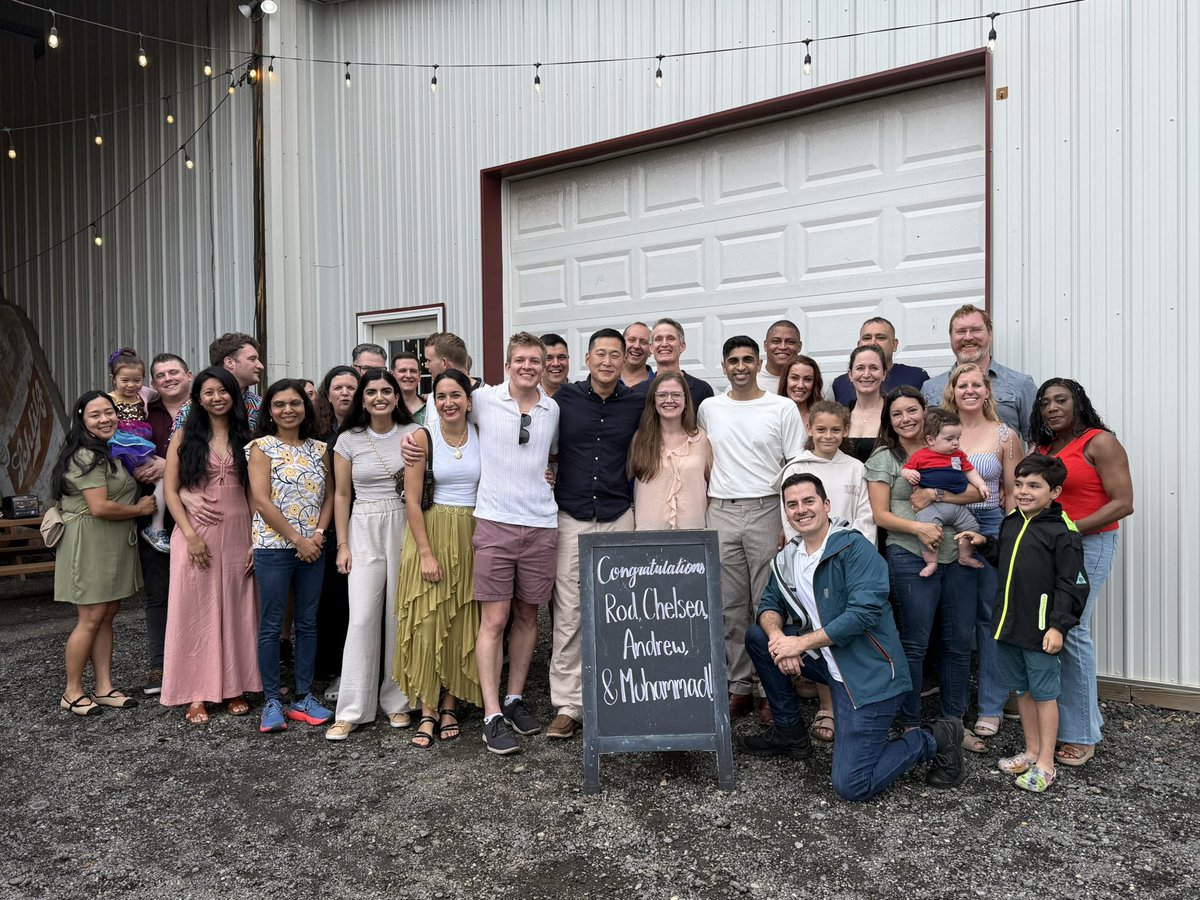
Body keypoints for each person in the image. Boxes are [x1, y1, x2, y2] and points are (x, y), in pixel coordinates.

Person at [740, 474, 966, 798]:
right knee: (758, 637)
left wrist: (799, 643)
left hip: (867, 673)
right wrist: (780, 640)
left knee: (853, 785)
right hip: (828, 662)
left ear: (826, 505)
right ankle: (790, 733)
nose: (801, 510)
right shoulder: (789, 558)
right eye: (792, 505)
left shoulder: (853, 547)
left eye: (808, 501)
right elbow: (768, 605)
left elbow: (864, 614)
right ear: (786, 512)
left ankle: (933, 739)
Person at [958, 454, 1089, 793]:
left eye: (1034, 486)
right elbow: (1006, 560)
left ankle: (1046, 763)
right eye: (1019, 484)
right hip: (1008, 626)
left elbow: (1073, 584)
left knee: (1045, 695)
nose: (1024, 491)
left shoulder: (1064, 532)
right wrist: (986, 544)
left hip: (1041, 631)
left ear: (1055, 491)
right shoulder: (1012, 520)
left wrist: (1058, 626)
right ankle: (1031, 751)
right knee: (1023, 691)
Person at [460, 333, 560, 755]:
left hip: (540, 522)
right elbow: (442, 419)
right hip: (495, 522)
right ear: (507, 365)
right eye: (520, 360)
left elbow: (550, 455)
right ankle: (491, 713)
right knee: (494, 620)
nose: (528, 366)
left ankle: (516, 699)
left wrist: (550, 473)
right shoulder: (482, 400)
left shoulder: (552, 408)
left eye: (535, 360)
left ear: (543, 366)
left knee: (527, 616)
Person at [698, 336, 806, 723]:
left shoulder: (781, 407)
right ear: (723, 366)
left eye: (747, 359)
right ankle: (739, 684)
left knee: (766, 603)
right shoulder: (710, 407)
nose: (740, 366)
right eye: (733, 361)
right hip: (721, 510)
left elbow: (795, 466)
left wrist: (787, 519)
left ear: (759, 362)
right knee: (729, 606)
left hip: (765, 507)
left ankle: (768, 687)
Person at [865, 387, 980, 737]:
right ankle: (911, 722)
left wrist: (936, 494)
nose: (905, 419)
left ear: (924, 412)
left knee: (958, 641)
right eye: (897, 414)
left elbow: (975, 491)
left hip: (956, 554)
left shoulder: (949, 448)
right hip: (909, 554)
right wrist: (919, 527)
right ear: (890, 420)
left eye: (911, 411)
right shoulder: (885, 458)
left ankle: (954, 725)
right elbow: (880, 515)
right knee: (915, 643)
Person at [1031, 378, 1134, 768]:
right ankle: (1075, 718)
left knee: (1071, 630)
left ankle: (1081, 733)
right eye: (1045, 402)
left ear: (1078, 403)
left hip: (1089, 545)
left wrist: (1072, 529)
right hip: (1052, 548)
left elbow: (1123, 503)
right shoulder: (1044, 448)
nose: (1052, 407)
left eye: (1061, 400)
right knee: (1053, 631)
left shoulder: (1099, 442)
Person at [549, 328, 646, 740]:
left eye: (615, 355)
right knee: (570, 612)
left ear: (625, 361)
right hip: (571, 515)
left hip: (618, 513)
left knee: (622, 610)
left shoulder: (639, 404)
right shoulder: (563, 401)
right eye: (600, 354)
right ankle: (568, 704)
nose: (608, 361)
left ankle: (619, 695)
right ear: (586, 359)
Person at [160, 367, 260, 725]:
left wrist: (254, 539)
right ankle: (195, 692)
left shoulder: (245, 435)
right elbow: (170, 490)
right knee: (194, 611)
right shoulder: (185, 435)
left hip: (238, 530)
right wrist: (188, 534)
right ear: (197, 398)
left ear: (234, 394)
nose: (216, 398)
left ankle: (235, 686)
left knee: (237, 609)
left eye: (223, 391)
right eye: (208, 392)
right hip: (196, 532)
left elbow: (253, 491)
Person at [324, 372, 418, 741]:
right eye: (372, 392)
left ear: (397, 397)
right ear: (362, 400)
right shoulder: (348, 440)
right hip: (363, 525)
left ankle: (397, 701)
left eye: (386, 391)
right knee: (362, 618)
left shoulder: (414, 434)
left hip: (404, 524)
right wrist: (343, 544)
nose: (379, 397)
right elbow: (342, 495)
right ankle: (352, 709)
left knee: (398, 613)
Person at [775, 400, 875, 742]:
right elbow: (790, 519)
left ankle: (854, 702)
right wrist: (802, 557)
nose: (828, 435)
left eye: (835, 429)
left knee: (845, 630)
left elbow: (865, 517)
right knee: (816, 628)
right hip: (809, 562)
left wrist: (858, 557)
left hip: (848, 559)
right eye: (821, 429)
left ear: (845, 431)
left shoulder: (855, 468)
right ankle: (827, 707)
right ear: (810, 430)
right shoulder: (795, 467)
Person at [394, 369, 484, 748]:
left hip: (472, 534)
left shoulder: (482, 434)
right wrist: (427, 554)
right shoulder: (421, 437)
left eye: (456, 395)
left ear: (468, 399)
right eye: (441, 396)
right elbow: (412, 500)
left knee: (462, 618)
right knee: (429, 620)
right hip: (431, 532)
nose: (449, 402)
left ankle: (451, 703)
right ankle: (428, 707)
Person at [51, 391, 156, 716]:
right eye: (95, 415)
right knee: (90, 618)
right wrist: (139, 508)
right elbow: (98, 507)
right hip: (90, 542)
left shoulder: (106, 451)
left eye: (109, 412)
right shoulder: (86, 456)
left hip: (109, 542)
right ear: (82, 419)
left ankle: (104, 686)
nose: (105, 419)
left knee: (107, 615)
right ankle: (72, 691)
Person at [940, 363, 1021, 750]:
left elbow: (1013, 494)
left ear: (987, 392)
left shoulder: (1004, 435)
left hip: (989, 524)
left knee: (989, 618)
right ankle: (953, 707)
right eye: (962, 384)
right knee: (957, 620)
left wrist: (1005, 539)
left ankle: (991, 705)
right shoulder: (939, 433)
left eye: (977, 384)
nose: (970, 390)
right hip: (949, 526)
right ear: (952, 390)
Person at [247, 379, 334, 734]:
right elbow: (261, 500)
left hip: (313, 546)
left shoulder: (320, 448)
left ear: (305, 407)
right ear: (269, 410)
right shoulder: (260, 447)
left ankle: (303, 695)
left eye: (295, 403)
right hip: (273, 545)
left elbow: (329, 496)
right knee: (271, 624)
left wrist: (317, 535)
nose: (288, 410)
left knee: (308, 622)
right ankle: (271, 700)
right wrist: (297, 538)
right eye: (279, 404)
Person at [137, 352, 193, 695]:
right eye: (160, 375)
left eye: (174, 372)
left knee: (196, 587)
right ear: (154, 384)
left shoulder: (203, 410)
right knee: (158, 591)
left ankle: (191, 658)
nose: (168, 378)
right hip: (153, 513)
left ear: (189, 375)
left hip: (197, 509)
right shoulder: (144, 413)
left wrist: (169, 466)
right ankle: (160, 664)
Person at [923, 304, 1037, 442]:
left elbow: (1037, 442)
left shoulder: (1021, 384)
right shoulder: (930, 388)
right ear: (951, 337)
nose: (968, 337)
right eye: (960, 331)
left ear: (990, 335)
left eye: (976, 330)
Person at [312, 365, 360, 696]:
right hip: (326, 527)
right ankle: (334, 669)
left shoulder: (367, 429)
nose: (345, 393)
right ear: (327, 393)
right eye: (338, 387)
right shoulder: (316, 433)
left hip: (366, 520)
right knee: (330, 602)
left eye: (351, 387)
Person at [901, 408, 990, 576]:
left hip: (957, 504)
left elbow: (970, 471)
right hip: (932, 506)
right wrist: (909, 474)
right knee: (927, 529)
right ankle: (931, 562)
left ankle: (965, 556)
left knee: (972, 527)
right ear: (931, 440)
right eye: (949, 439)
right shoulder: (921, 456)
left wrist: (981, 485)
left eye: (957, 438)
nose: (955, 443)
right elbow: (906, 469)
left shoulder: (959, 455)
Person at [105, 348, 171, 553]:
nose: (131, 385)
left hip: (141, 445)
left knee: (161, 477)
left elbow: (161, 393)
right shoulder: (108, 399)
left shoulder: (144, 394)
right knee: (163, 478)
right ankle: (156, 528)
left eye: (137, 380)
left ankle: (155, 526)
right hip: (124, 446)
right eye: (125, 380)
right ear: (113, 378)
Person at [629, 372, 712, 531]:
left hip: (694, 533)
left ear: (686, 400)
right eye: (662, 395)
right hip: (649, 533)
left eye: (676, 395)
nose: (669, 400)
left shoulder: (701, 439)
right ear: (653, 401)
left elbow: (712, 485)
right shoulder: (640, 439)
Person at [173, 332, 264, 432]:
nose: (260, 366)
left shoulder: (260, 407)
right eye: (252, 359)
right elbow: (177, 446)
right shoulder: (190, 410)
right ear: (229, 363)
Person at [832, 317, 929, 405]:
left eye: (880, 337)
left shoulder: (917, 377)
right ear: (858, 344)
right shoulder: (840, 384)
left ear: (894, 344)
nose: (873, 342)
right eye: (867, 338)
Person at [650, 318, 714, 407]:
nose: (664, 344)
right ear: (651, 347)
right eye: (658, 339)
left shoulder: (702, 390)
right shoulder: (639, 391)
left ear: (682, 346)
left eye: (671, 338)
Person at [845, 344, 889, 463]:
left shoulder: (894, 412)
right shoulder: (841, 415)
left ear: (884, 374)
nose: (866, 374)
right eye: (860, 368)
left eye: (874, 368)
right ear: (850, 374)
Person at [757, 320, 802, 392]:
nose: (783, 347)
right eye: (776, 341)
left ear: (799, 347)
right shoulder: (751, 378)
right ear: (765, 345)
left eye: (790, 342)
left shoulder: (810, 380)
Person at [777, 355, 823, 425]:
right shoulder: (773, 415)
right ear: (785, 380)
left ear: (814, 383)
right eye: (794, 378)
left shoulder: (824, 416)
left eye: (807, 379)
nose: (800, 385)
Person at [391, 351, 426, 423]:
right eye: (402, 371)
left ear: (419, 376)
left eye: (413, 371)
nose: (408, 375)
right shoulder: (387, 408)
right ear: (392, 375)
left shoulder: (431, 407)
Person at [621, 322, 654, 389]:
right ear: (621, 345)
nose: (636, 346)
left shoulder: (658, 385)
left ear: (651, 349)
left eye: (643, 342)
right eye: (631, 340)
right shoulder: (606, 380)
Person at [539, 332, 570, 398]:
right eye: (548, 358)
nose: (556, 363)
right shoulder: (526, 396)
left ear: (568, 359)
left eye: (561, 357)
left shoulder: (582, 396)